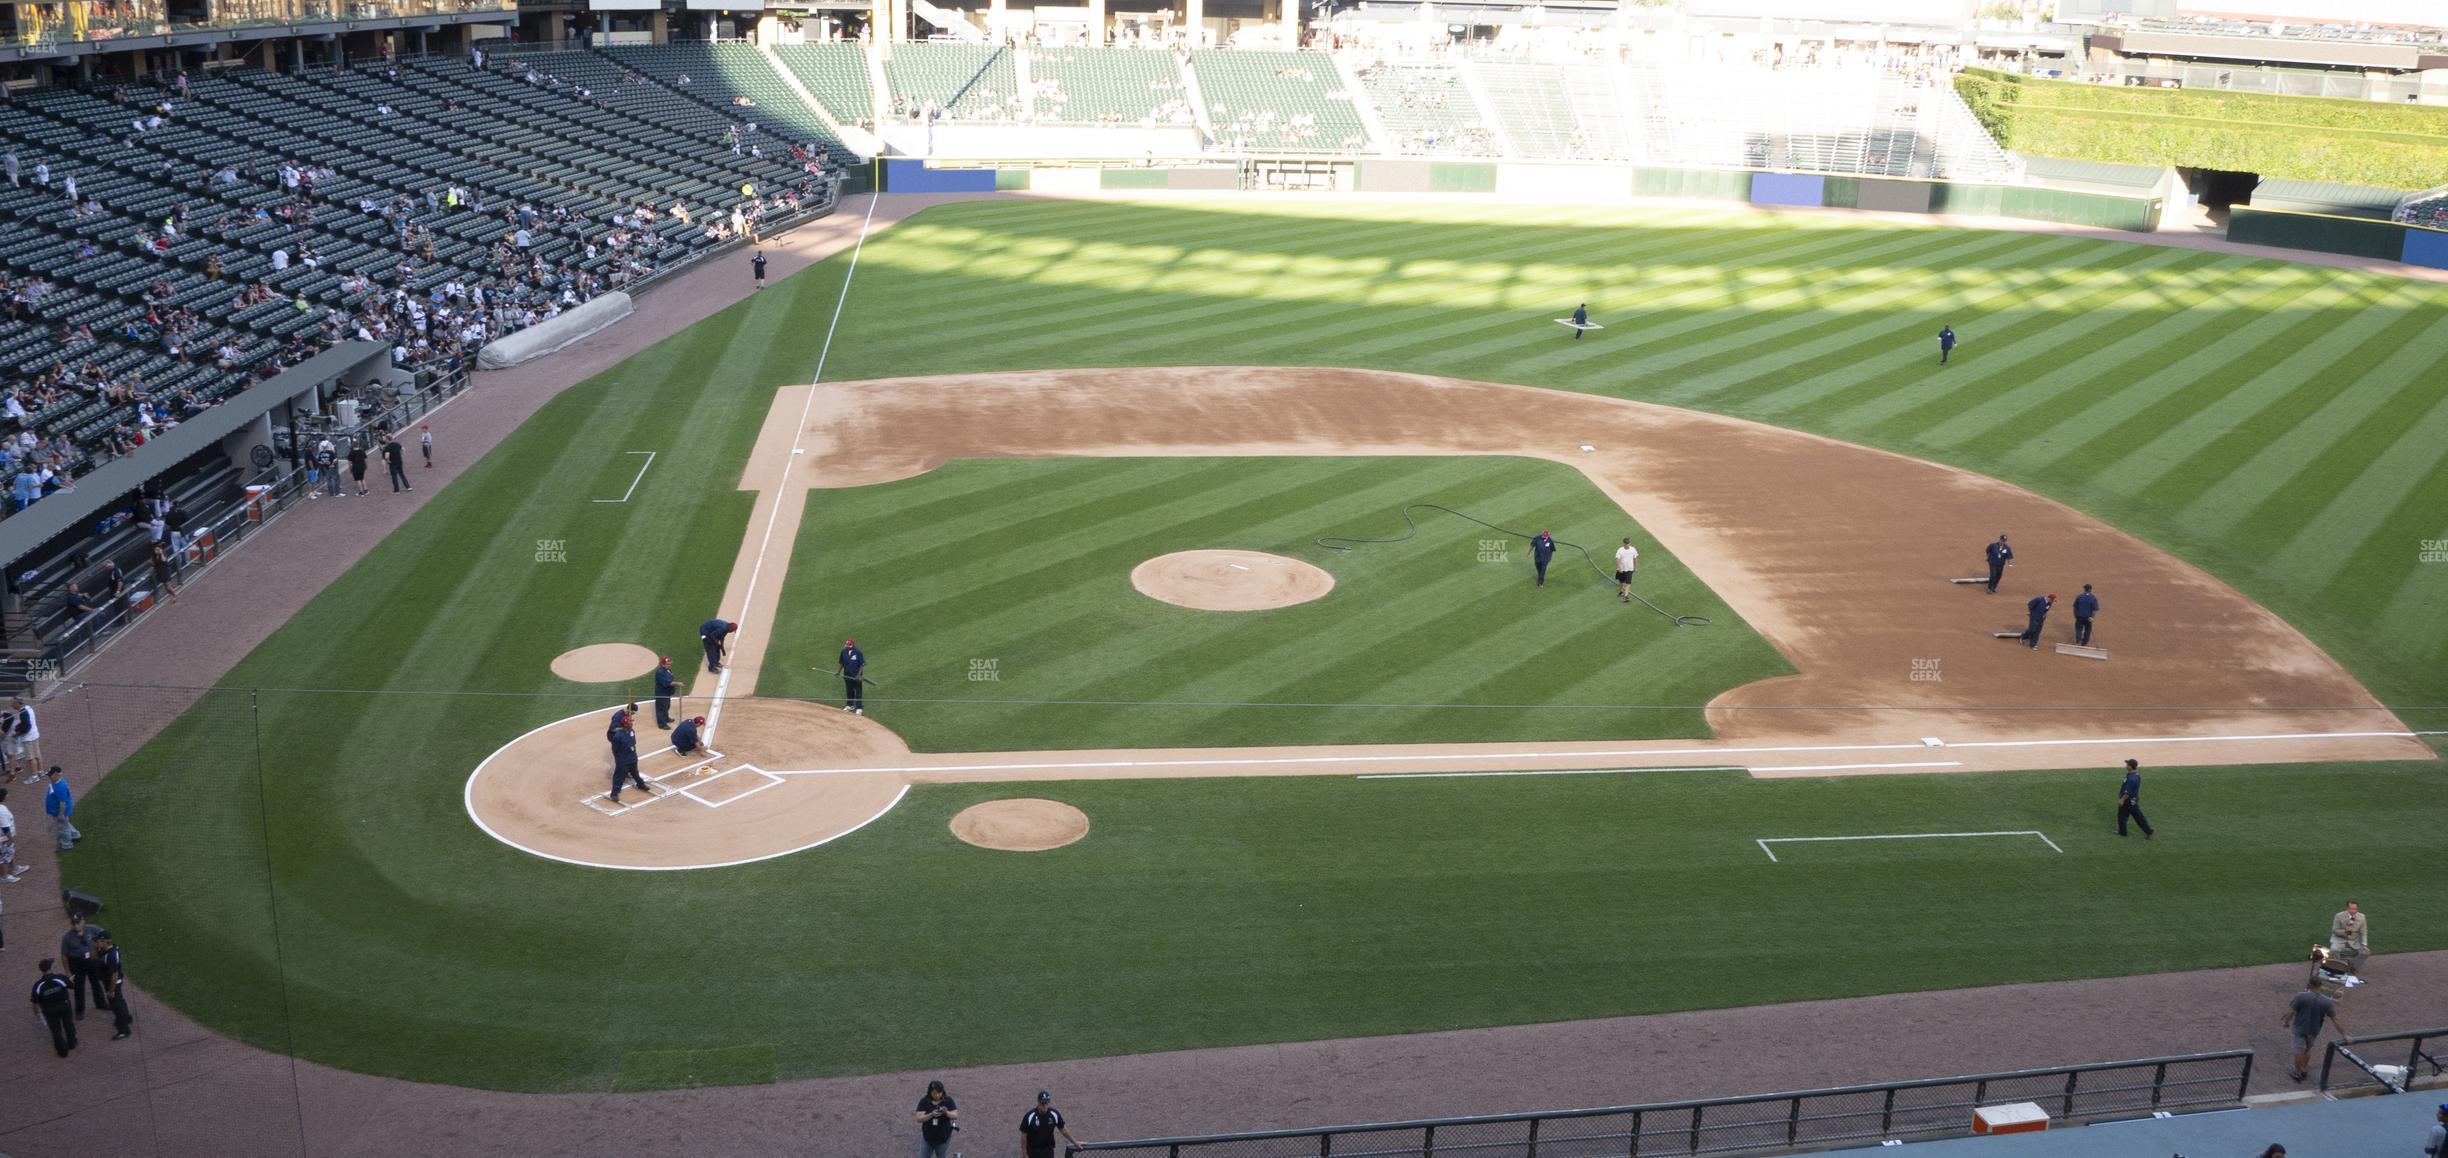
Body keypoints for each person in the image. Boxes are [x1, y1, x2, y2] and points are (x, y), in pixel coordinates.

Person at [2281, 976, 2349, 1082]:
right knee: (2307, 1049)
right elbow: (2335, 1019)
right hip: (2314, 1030)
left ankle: (2298, 1073)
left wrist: (2286, 1022)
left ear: (2309, 985)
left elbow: (2290, 1012)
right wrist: (2344, 1035)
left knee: (2299, 1050)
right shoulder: (2326, 1002)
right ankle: (2304, 1069)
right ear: (2320, 986)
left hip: (2299, 1028)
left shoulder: (2301, 996)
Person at [60, 912, 105, 1016]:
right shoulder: (67, 937)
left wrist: (99, 949)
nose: (76, 925)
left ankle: (101, 1003)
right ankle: (79, 1010)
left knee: (96, 983)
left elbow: (104, 934)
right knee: (79, 987)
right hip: (77, 963)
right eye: (74, 923)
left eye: (78, 923)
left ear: (83, 921)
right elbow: (64, 956)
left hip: (92, 961)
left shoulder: (92, 929)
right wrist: (68, 972)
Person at [30, 959, 75, 1057]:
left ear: (41, 970)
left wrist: (37, 1013)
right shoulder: (59, 978)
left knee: (56, 1031)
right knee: (68, 1025)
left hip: (49, 1010)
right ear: (50, 967)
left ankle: (62, 1051)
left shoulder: (38, 985)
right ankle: (72, 1043)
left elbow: (35, 1003)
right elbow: (72, 986)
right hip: (64, 1006)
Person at [1020, 1091, 1079, 1158]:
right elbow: (1023, 1137)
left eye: (1047, 1103)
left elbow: (1063, 1130)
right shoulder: (1029, 1116)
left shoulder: (1054, 1114)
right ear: (1038, 1102)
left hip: (1048, 1151)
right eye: (1043, 1103)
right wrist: (1025, 1155)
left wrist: (1075, 1142)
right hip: (1033, 1152)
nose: (1045, 1106)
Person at [94, 930, 130, 1040]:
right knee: (120, 1001)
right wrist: (98, 948)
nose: (96, 943)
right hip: (113, 982)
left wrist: (111, 990)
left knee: (116, 1006)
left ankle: (124, 1030)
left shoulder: (111, 956)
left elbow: (114, 974)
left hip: (113, 983)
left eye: (98, 941)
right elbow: (93, 957)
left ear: (104, 941)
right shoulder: (108, 950)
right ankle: (127, 1018)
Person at [915, 1079, 958, 1158]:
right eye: (935, 1093)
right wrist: (931, 1114)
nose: (937, 1095)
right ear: (930, 1092)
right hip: (927, 1139)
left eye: (940, 1093)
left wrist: (946, 1112)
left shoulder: (948, 1100)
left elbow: (955, 1115)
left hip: (943, 1139)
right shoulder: (924, 1101)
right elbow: (918, 1118)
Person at [607, 721, 646, 804]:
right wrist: (619, 760)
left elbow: (633, 743)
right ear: (625, 725)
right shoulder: (617, 736)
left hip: (632, 758)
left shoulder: (632, 731)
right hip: (623, 760)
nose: (631, 724)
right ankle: (614, 794)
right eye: (629, 723)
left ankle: (640, 785)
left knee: (635, 773)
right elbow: (615, 750)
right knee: (619, 777)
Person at [2115, 758, 2153, 839]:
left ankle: (2123, 832)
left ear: (2131, 766)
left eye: (2127, 764)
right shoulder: (2136, 775)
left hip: (2128, 800)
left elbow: (2127, 791)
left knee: (2123, 816)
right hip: (2133, 799)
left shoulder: (2131, 778)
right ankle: (2147, 830)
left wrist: (2122, 800)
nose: (2126, 765)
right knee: (2137, 816)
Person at [42, 766, 76, 852]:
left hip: (59, 811)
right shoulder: (56, 781)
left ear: (57, 774)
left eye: (50, 775)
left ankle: (67, 845)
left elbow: (63, 802)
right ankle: (75, 835)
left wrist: (61, 814)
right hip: (56, 810)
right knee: (65, 825)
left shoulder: (60, 786)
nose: (49, 777)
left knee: (63, 828)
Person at [3, 696, 36, 781]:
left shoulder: (22, 713)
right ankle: (18, 767)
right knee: (9, 753)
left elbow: (26, 726)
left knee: (28, 757)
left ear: (16, 703)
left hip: (21, 737)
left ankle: (32, 775)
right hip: (29, 735)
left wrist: (17, 733)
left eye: (12, 703)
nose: (10, 704)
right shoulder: (24, 710)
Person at [839, 637, 865, 715]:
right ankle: (850, 705)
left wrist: (858, 675)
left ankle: (859, 708)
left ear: (852, 645)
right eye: (846, 644)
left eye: (849, 645)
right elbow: (841, 663)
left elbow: (862, 665)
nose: (847, 646)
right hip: (847, 675)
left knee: (858, 691)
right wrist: (838, 672)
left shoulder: (858, 652)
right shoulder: (843, 652)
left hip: (856, 676)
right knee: (849, 690)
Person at [652, 656, 678, 729]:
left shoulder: (668, 670)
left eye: (670, 663)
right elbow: (667, 682)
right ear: (663, 664)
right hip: (661, 693)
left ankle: (666, 718)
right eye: (668, 664)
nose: (669, 665)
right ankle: (662, 724)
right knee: (661, 708)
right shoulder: (660, 672)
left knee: (667, 706)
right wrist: (677, 683)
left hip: (667, 693)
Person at [0, 786, 18, 883]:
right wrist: (10, 838)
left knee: (10, 852)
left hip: (3, 838)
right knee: (1, 858)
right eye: (7, 794)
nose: (8, 795)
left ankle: (14, 869)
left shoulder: (2, 807)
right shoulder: (1, 811)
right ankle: (4, 877)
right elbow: (5, 827)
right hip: (3, 839)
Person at [1613, 537, 1639, 603]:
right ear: (1623, 544)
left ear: (1629, 543)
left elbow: (1635, 558)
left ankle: (1626, 596)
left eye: (1628, 543)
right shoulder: (1620, 550)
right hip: (1621, 569)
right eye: (1626, 543)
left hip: (1630, 569)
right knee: (1621, 581)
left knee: (1628, 582)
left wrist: (1635, 567)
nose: (1627, 544)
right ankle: (1621, 591)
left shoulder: (1633, 549)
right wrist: (1619, 568)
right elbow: (1617, 559)